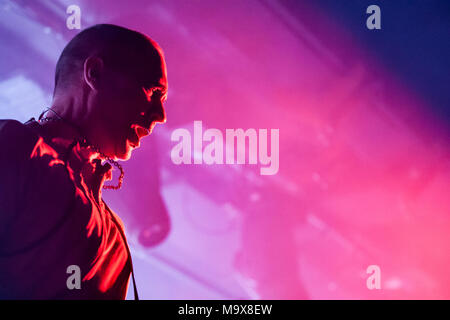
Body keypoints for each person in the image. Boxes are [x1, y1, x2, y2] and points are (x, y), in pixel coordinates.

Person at [0, 24, 168, 299]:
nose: (160, 115)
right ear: (95, 73)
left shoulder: (116, 238)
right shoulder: (14, 146)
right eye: (152, 92)